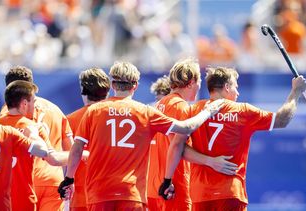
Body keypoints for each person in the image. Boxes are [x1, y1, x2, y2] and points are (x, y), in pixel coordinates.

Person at [58, 61, 223, 210]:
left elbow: (77, 149)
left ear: (113, 84)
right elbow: (186, 128)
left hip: (100, 193)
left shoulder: (94, 111)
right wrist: (207, 112)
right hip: (132, 193)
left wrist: (69, 179)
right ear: (135, 86)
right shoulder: (146, 112)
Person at [160, 67, 306, 210]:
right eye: (236, 87)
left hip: (200, 195)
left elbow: (178, 147)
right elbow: (282, 120)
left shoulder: (194, 110)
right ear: (226, 87)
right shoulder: (242, 111)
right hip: (230, 193)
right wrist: (295, 92)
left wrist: (208, 161)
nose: (237, 93)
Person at [147, 59, 238, 211]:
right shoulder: (180, 107)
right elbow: (178, 147)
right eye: (199, 81)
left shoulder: (159, 105)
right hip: (174, 187)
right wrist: (211, 161)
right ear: (190, 83)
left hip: (154, 186)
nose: (199, 86)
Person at [0, 65, 74, 211]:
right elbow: (70, 149)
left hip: (22, 184)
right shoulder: (55, 109)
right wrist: (71, 178)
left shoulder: (6, 114)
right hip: (52, 182)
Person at [66, 67, 110, 211]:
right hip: (111, 192)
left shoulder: (70, 120)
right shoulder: (117, 117)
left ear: (83, 90)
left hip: (81, 194)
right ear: (107, 91)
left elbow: (68, 157)